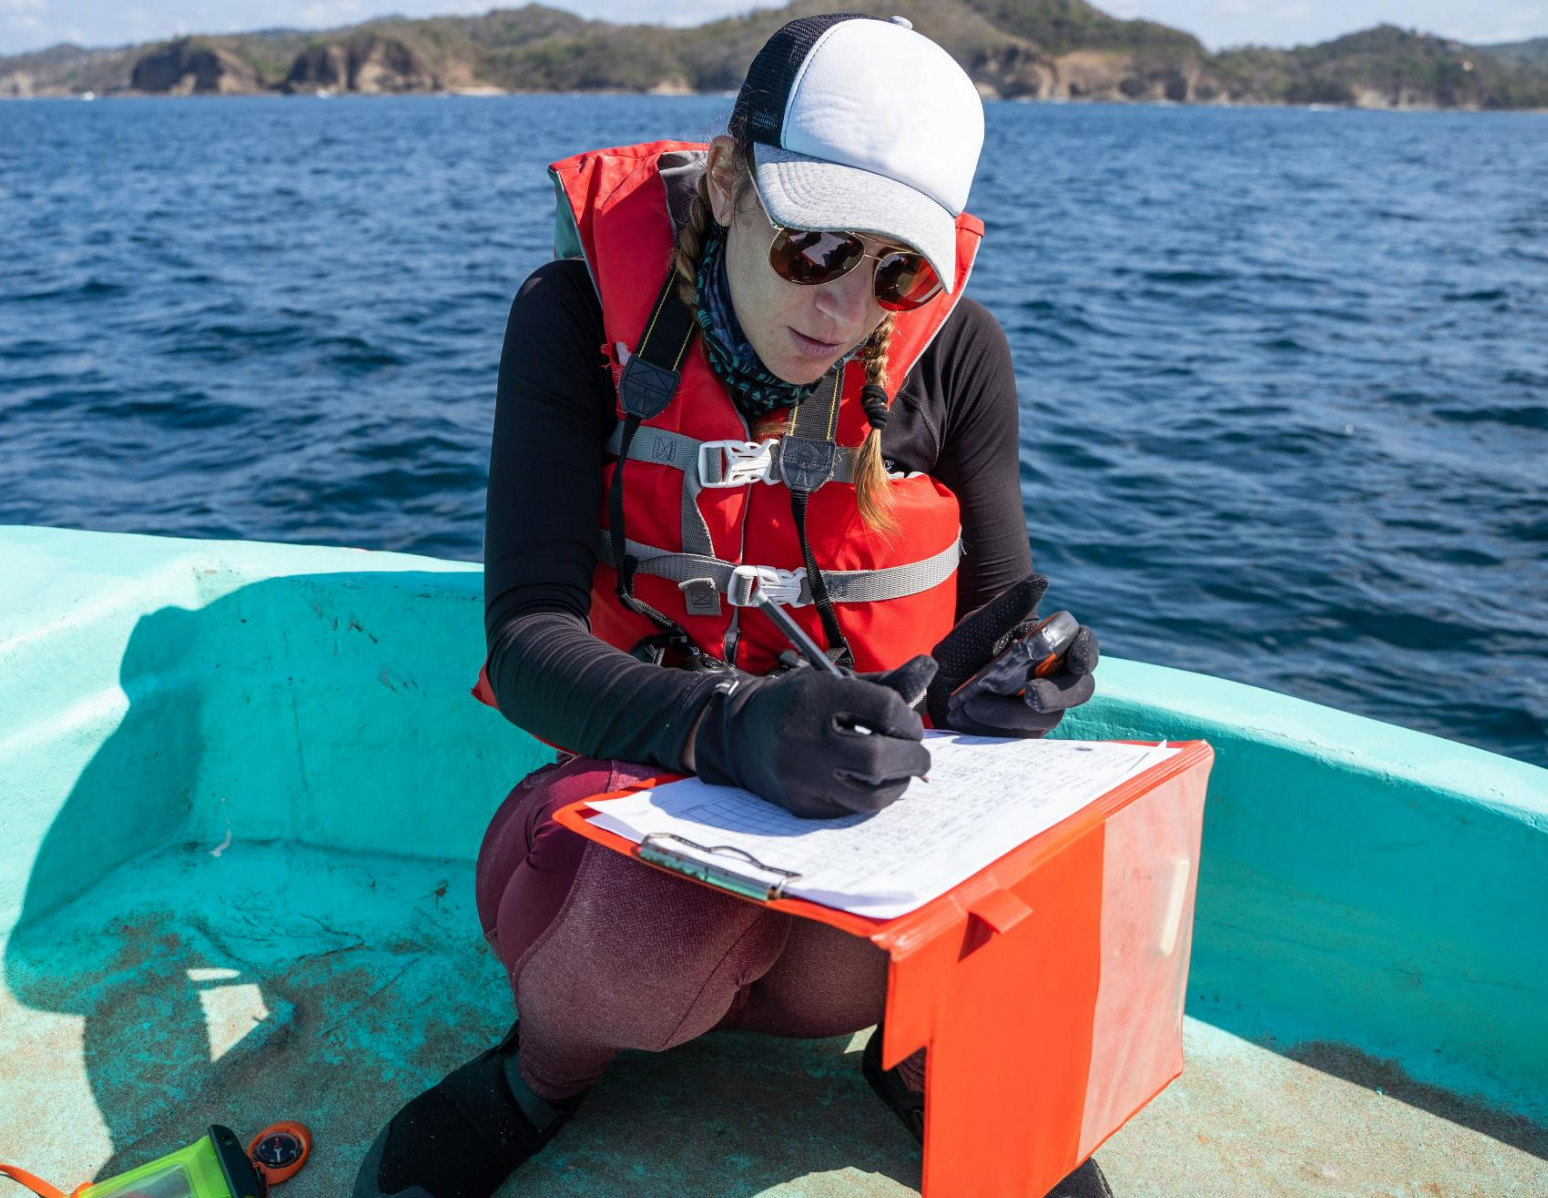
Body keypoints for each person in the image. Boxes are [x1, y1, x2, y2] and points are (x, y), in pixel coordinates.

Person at [355, 14, 1103, 1198]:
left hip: (856, 873)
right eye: (818, 246)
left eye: (895, 271)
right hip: (623, 830)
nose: (845, 307)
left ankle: (918, 1060)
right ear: (727, 181)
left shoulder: (961, 358)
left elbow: (998, 612)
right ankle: (544, 1073)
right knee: (652, 926)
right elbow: (529, 639)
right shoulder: (569, 318)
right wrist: (728, 726)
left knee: (1045, 883)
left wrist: (1024, 677)